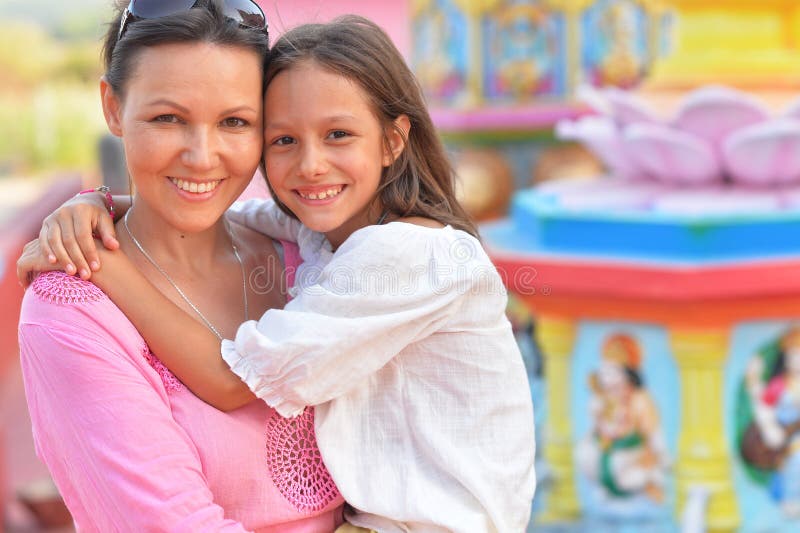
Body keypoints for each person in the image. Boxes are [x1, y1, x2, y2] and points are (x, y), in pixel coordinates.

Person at [20, 15, 537, 532]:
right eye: (284, 139)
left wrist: (104, 264)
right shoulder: (318, 234)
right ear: (113, 107)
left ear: (392, 141)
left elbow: (229, 381)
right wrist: (102, 204)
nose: (311, 165)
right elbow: (219, 211)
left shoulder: (404, 256)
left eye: (235, 122)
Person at [16, 1, 347, 530]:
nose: (201, 156)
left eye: (235, 122)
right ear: (113, 107)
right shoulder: (72, 311)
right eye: (167, 118)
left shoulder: (309, 257)